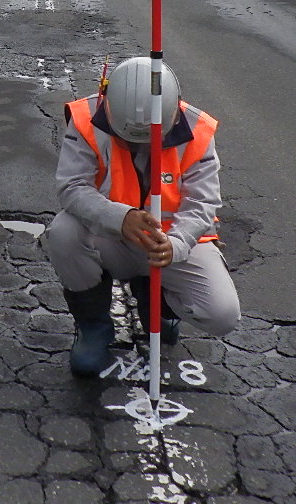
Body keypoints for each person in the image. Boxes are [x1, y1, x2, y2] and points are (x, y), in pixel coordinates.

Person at [43, 56, 241, 376]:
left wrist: (176, 244)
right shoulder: (86, 120)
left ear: (173, 113)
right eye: (129, 139)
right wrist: (120, 217)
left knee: (221, 314)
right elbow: (72, 187)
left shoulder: (198, 130)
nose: (139, 148)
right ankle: (93, 328)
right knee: (64, 232)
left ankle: (158, 303)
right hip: (112, 236)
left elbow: (203, 204)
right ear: (109, 111)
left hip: (171, 242)